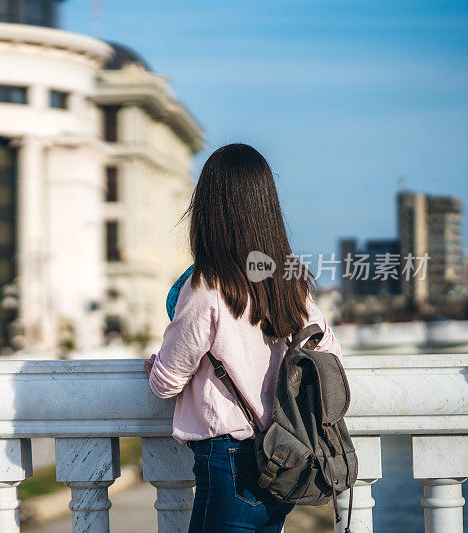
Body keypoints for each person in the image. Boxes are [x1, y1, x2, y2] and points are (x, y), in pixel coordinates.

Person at [143, 143, 342, 533]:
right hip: (285, 456)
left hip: (228, 462)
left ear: (208, 210)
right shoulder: (290, 280)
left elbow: (165, 384)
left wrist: (158, 365)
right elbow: (329, 355)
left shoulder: (207, 286)